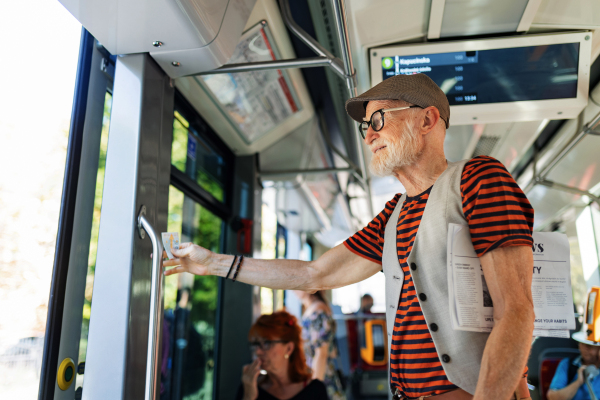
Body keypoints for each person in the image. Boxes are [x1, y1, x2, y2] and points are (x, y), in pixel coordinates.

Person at [165, 73, 535, 400]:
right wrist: (212, 263)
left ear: (427, 119)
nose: (369, 134)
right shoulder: (395, 213)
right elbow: (314, 274)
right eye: (365, 127)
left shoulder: (477, 179)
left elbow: (516, 311)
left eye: (379, 119)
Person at [236, 310, 328, 400]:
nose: (258, 352)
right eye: (255, 344)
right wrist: (248, 397)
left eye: (267, 343)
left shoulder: (315, 391)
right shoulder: (250, 388)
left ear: (289, 349)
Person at [293, 290, 346, 400]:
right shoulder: (313, 309)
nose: (293, 290)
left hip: (320, 376)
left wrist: (314, 389)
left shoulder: (318, 311)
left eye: (297, 286)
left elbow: (321, 354)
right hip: (317, 375)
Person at [548, 330, 600, 400]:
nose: (585, 349)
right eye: (582, 344)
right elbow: (552, 397)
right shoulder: (567, 364)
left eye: (589, 346)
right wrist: (578, 382)